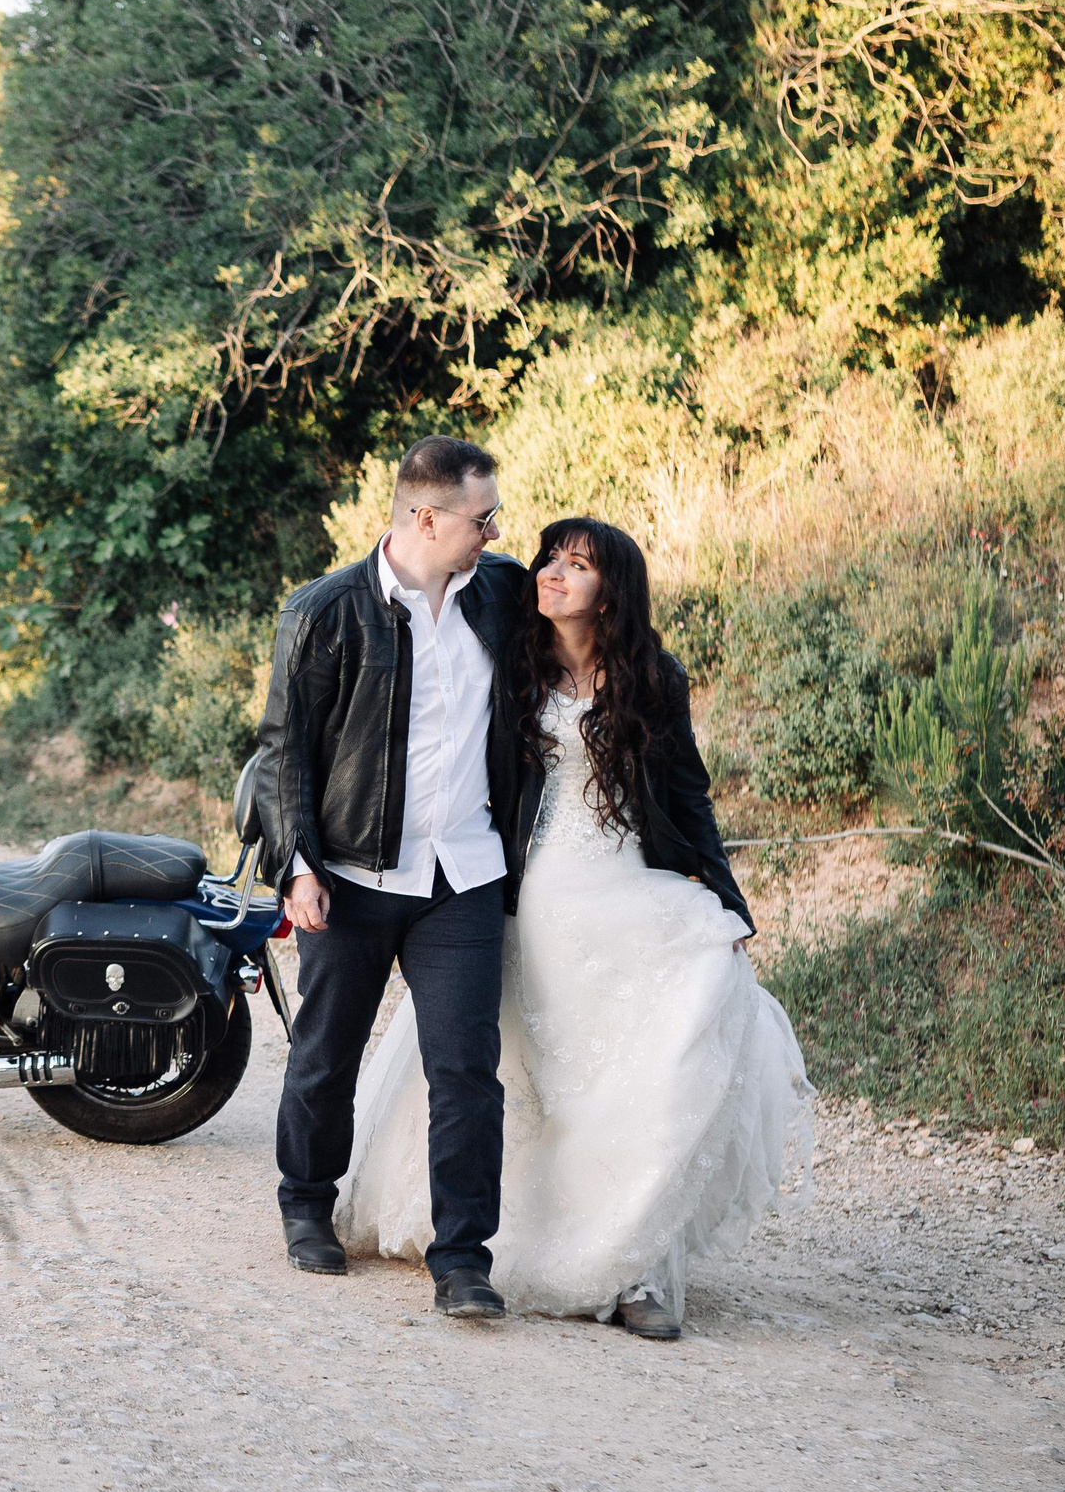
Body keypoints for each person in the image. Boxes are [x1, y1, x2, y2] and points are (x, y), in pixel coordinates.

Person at [338, 519, 816, 1339]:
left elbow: (688, 791)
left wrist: (727, 897)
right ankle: (485, 1236)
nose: (554, 572)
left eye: (579, 564)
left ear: (612, 589)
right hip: (526, 893)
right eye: (552, 557)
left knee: (654, 1061)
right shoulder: (512, 660)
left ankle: (634, 1267)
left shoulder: (653, 676)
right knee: (524, 1077)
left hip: (625, 886)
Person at [250, 436, 537, 1319]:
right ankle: (307, 1203)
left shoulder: (503, 596)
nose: (493, 531)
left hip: (466, 872)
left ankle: (462, 1259)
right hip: (350, 874)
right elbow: (283, 751)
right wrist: (296, 866)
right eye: (482, 517)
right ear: (427, 518)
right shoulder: (325, 611)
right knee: (327, 1047)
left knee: (466, 1069)